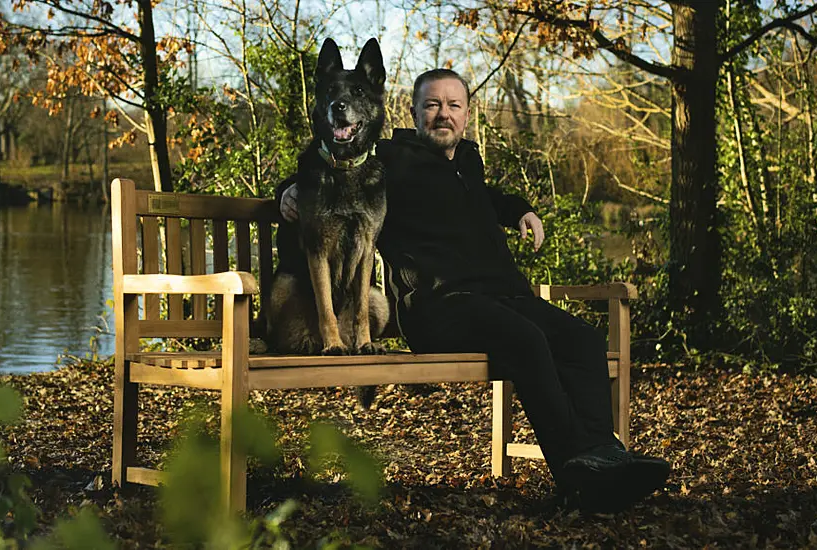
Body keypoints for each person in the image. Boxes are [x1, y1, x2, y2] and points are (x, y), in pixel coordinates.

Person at [275, 68, 670, 513]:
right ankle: (575, 471)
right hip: (438, 306)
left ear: (467, 114)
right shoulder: (389, 157)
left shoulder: (468, 161)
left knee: (582, 339)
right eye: (432, 105)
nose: (444, 114)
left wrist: (520, 210)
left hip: (503, 297)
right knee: (525, 339)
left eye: (453, 105)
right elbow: (331, 158)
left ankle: (603, 455)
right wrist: (287, 191)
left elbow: (485, 197)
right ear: (413, 111)